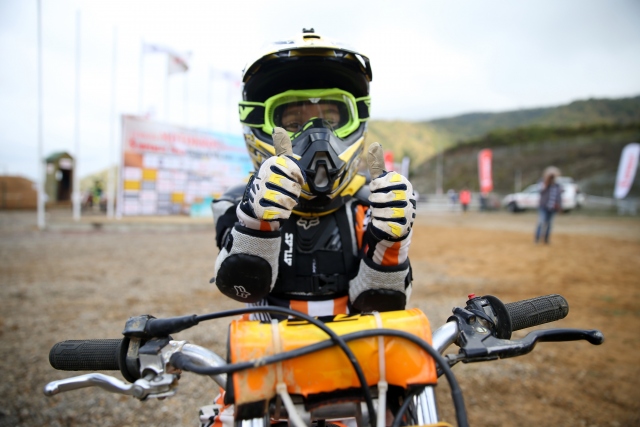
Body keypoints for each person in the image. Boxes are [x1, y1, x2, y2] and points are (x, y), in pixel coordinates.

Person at [202, 29, 417, 427]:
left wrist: (391, 242)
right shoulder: (237, 202)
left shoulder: (368, 204)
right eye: (293, 121)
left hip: (358, 376)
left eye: (330, 119)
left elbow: (379, 304)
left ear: (354, 120)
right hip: (266, 375)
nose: (317, 136)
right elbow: (243, 285)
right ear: (260, 124)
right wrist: (257, 220)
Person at [535, 166, 562, 244]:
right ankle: (537, 238)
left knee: (549, 223)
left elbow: (558, 196)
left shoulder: (557, 185)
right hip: (543, 206)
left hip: (552, 208)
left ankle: (546, 239)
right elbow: (540, 190)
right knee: (541, 222)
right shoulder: (543, 182)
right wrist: (547, 182)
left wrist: (559, 206)